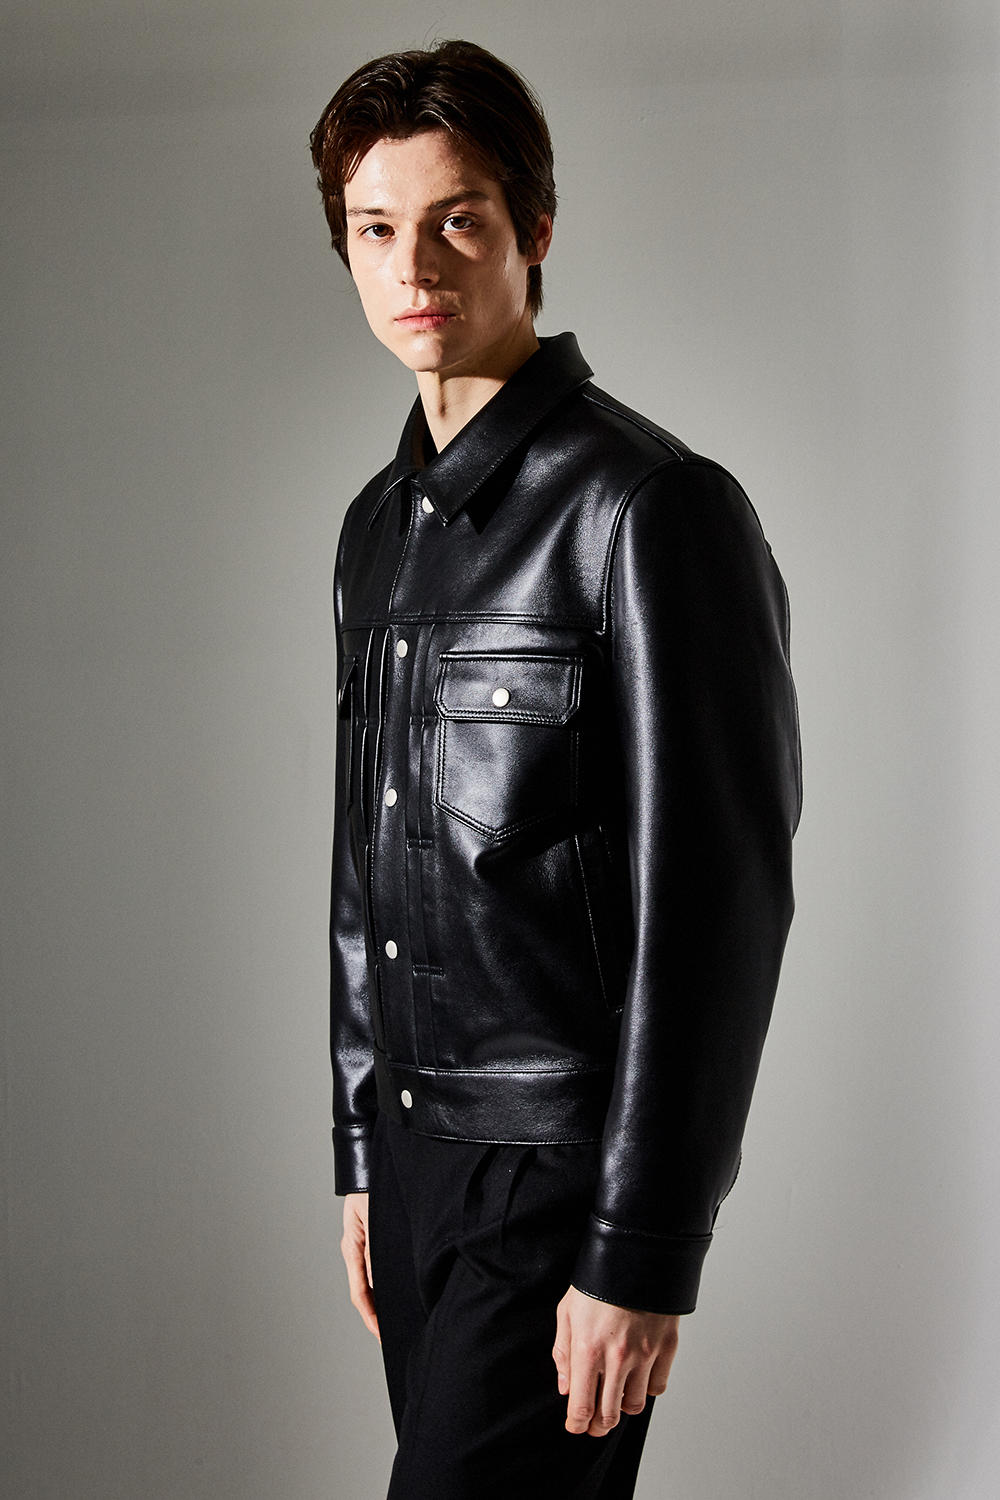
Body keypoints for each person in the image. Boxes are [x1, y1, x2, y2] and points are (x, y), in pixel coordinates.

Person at [311, 39, 800, 1500]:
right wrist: (360, 1145)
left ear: (533, 230)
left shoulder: (649, 508)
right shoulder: (375, 530)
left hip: (560, 1167)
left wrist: (643, 1246)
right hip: (416, 1164)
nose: (415, 268)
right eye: (376, 229)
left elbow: (719, 908)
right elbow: (361, 869)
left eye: (457, 220)